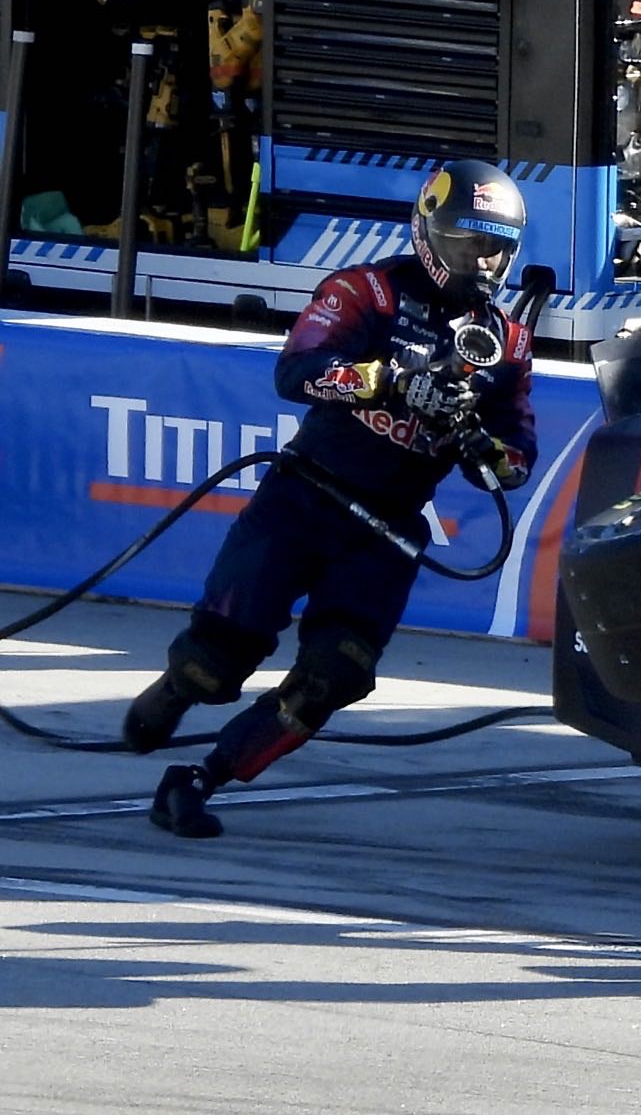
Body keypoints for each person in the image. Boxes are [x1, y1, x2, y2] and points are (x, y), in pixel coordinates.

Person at [130, 161, 537, 836]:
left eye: (497, 245)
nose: (485, 260)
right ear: (430, 234)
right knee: (215, 661)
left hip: (386, 531)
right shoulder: (365, 292)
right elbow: (296, 371)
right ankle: (174, 694)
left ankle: (200, 779)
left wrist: (479, 447)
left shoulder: (509, 343)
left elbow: (516, 457)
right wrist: (388, 380)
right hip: (304, 498)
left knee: (336, 674)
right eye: (470, 241)